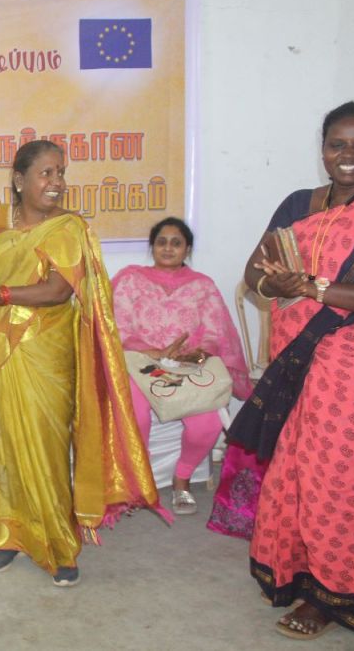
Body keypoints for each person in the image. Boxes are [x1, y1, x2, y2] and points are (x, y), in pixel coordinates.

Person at [0, 140, 163, 586]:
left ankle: (59, 543)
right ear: (19, 180)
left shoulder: (67, 228)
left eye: (61, 173)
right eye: (47, 173)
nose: (57, 181)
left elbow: (58, 292)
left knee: (46, 449)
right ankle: (6, 534)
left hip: (45, 351)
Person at [229, 101, 354, 639]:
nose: (349, 155)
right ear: (323, 150)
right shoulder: (297, 204)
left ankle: (340, 593)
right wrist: (274, 284)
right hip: (296, 355)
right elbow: (254, 272)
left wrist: (311, 287)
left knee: (344, 478)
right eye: (337, 144)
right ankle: (296, 573)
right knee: (297, 470)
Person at [111, 217, 252, 515]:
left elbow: (214, 332)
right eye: (161, 242)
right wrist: (152, 351)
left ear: (187, 249)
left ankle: (182, 479)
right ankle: (138, 483)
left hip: (186, 366)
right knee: (135, 416)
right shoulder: (130, 279)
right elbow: (117, 326)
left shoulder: (202, 286)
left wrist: (195, 356)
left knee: (207, 424)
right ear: (152, 247)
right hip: (140, 364)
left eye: (176, 243)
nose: (168, 248)